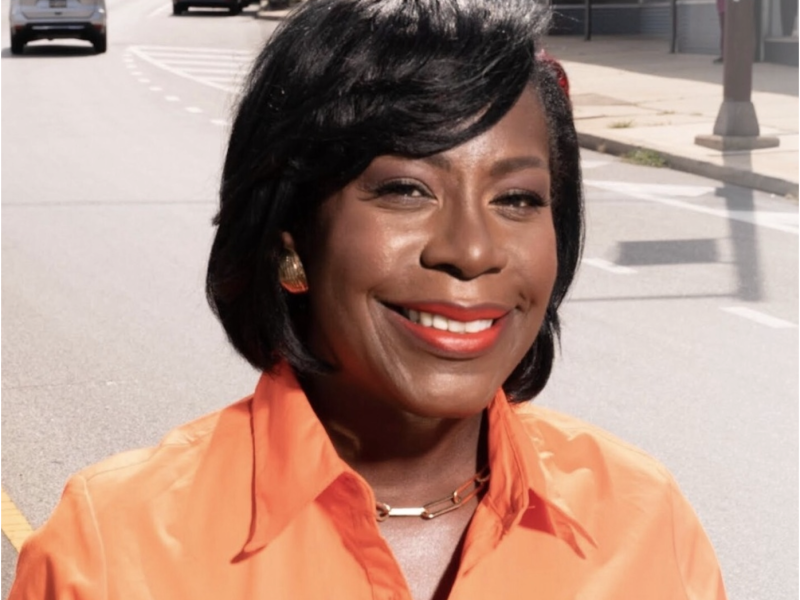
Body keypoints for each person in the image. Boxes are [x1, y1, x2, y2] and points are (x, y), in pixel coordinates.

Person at [9, 1, 728, 598]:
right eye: (405, 189)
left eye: (516, 198)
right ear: (292, 241)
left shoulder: (644, 524)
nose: (471, 251)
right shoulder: (109, 557)